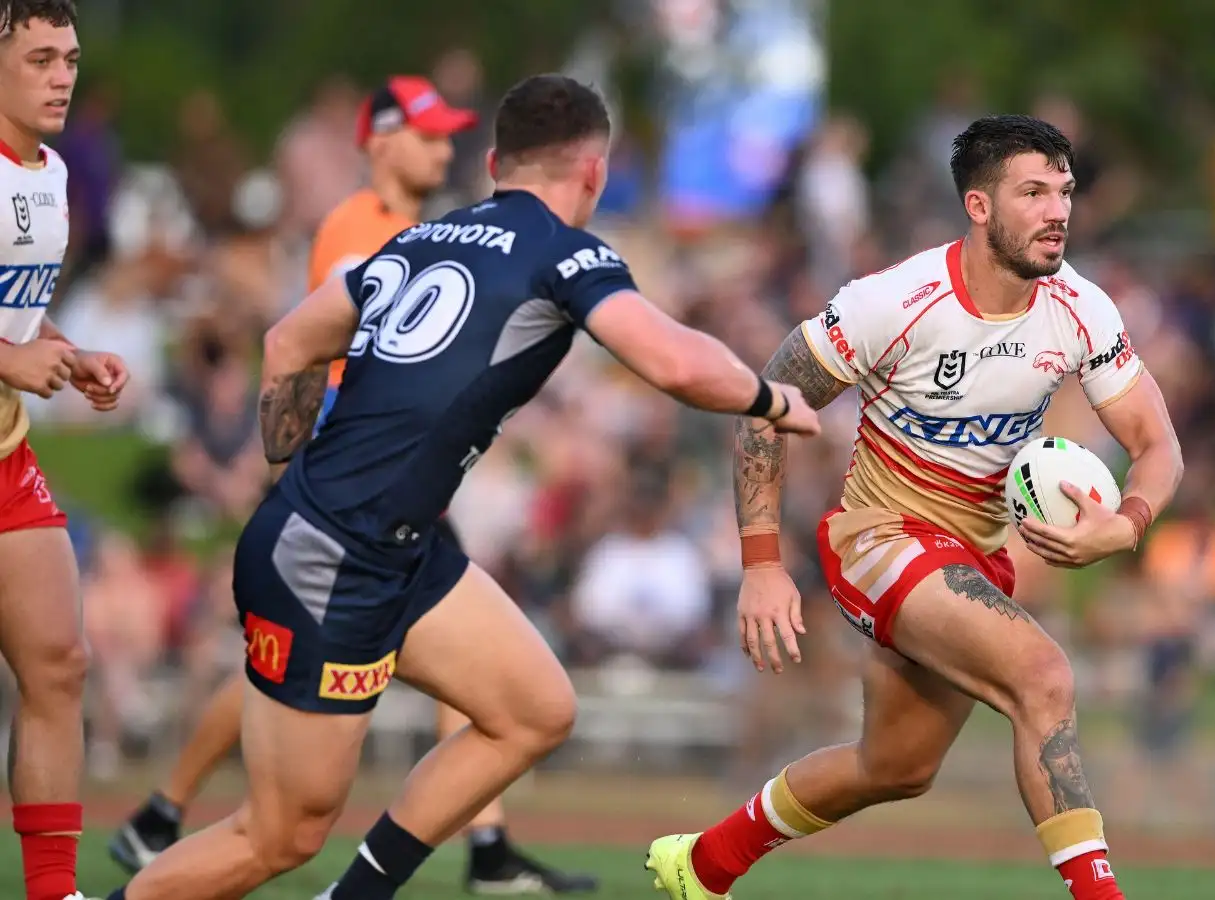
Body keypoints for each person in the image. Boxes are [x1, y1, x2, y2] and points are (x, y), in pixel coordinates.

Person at [105, 73, 820, 900]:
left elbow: (288, 340)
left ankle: (359, 894)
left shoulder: (421, 237)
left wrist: (288, 470)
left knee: (535, 708)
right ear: (593, 171)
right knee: (278, 836)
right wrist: (772, 397)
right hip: (337, 555)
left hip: (378, 543)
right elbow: (670, 359)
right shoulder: (567, 250)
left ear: (492, 162)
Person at [645, 115, 1184, 900]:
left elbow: (1158, 445)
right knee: (1044, 676)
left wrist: (1126, 524)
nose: (1057, 210)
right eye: (1032, 192)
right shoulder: (893, 301)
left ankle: (702, 865)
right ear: (978, 205)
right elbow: (765, 404)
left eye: (1064, 192)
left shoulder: (1082, 308)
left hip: (976, 558)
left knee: (895, 768)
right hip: (879, 538)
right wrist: (761, 565)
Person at [108, 74, 598, 896]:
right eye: (425, 134)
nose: (441, 150)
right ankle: (164, 809)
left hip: (390, 506)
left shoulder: (440, 230)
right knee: (285, 807)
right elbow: (315, 351)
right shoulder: (363, 230)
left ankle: (472, 845)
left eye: (450, 137)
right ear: (377, 141)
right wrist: (296, 478)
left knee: (509, 692)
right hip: (345, 503)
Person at [0, 4, 131, 900]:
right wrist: (14, 358)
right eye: (39, 56)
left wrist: (65, 349)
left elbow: (12, 310)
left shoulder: (46, 175)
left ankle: (53, 892)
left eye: (71, 58)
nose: (61, 75)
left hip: (5, 450)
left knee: (60, 661)